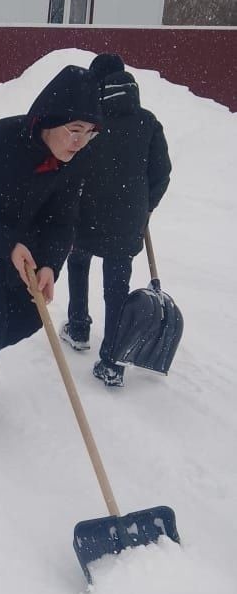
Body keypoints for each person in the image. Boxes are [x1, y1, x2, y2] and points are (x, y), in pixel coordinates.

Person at [0, 64, 102, 439]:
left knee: (34, 316)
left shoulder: (72, 163)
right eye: (74, 130)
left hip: (27, 249)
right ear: (51, 119)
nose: (79, 142)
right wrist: (7, 244)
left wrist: (50, 264)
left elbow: (63, 221)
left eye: (89, 134)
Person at [60, 53, 171, 388]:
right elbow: (161, 172)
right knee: (116, 288)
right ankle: (112, 361)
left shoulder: (86, 120)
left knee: (78, 264)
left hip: (85, 214)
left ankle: (78, 326)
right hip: (127, 220)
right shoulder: (147, 121)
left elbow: (68, 164)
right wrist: (146, 207)